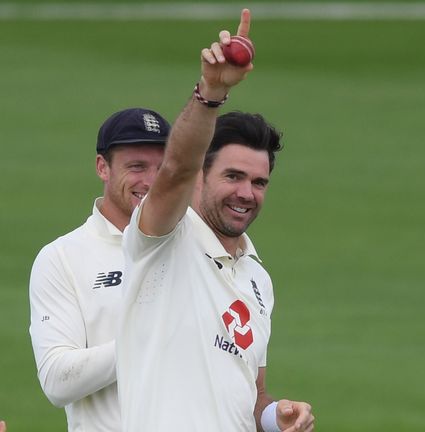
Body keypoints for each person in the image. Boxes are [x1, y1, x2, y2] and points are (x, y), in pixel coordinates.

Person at [116, 9, 314, 432]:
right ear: (200, 178)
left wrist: (275, 416)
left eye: (259, 182)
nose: (247, 193)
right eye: (233, 176)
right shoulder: (165, 237)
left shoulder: (257, 279)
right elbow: (175, 168)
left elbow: (251, 395)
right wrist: (211, 92)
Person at [29, 107, 169, 431]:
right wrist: (144, 340)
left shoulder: (194, 247)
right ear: (102, 167)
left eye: (162, 168)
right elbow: (56, 380)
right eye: (136, 167)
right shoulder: (62, 257)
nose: (151, 181)